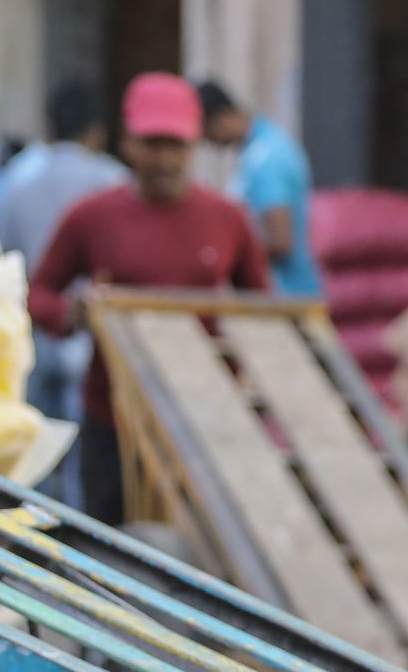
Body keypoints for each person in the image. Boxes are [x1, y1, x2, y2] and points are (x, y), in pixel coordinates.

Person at [28, 72, 271, 523]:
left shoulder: (227, 220)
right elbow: (39, 293)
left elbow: (263, 311)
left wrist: (244, 376)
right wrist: (73, 314)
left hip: (203, 419)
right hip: (115, 420)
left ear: (194, 145)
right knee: (113, 553)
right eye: (151, 144)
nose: (163, 159)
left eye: (175, 145)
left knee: (207, 549)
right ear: (127, 143)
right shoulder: (92, 217)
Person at [0, 81, 129, 430]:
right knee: (80, 444)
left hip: (31, 327)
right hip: (86, 330)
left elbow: (6, 254)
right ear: (96, 131)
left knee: (33, 441)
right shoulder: (113, 181)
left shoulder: (18, 179)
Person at [199, 78, 323, 300]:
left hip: (286, 299)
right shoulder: (263, 147)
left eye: (207, 134)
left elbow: (280, 241)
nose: (211, 145)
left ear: (222, 118)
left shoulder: (266, 158)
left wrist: (219, 256)